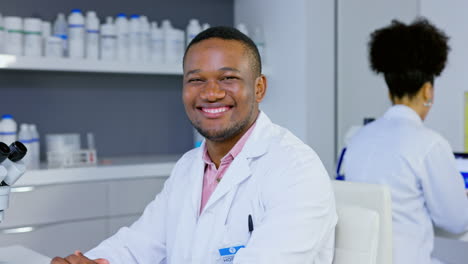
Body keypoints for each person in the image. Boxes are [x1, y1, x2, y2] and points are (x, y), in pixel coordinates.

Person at [51, 26, 337, 264]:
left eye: (228, 78)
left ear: (259, 87)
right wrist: (92, 261)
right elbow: (139, 244)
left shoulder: (296, 170)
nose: (211, 93)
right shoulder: (189, 166)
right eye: (196, 80)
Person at [344, 18, 468, 264]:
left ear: (389, 92)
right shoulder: (429, 144)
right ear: (427, 91)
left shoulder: (357, 140)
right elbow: (457, 221)